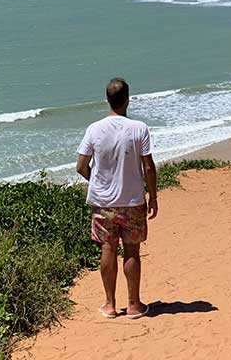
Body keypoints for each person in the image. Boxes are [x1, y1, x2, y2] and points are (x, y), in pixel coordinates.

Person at [76, 77, 158, 319]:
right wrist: (152, 196)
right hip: (133, 202)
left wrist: (100, 183)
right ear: (128, 99)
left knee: (108, 248)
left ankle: (110, 305)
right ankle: (134, 305)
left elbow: (81, 166)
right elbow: (149, 167)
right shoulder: (139, 128)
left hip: (103, 204)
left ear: (107, 100)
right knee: (132, 251)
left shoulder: (94, 129)